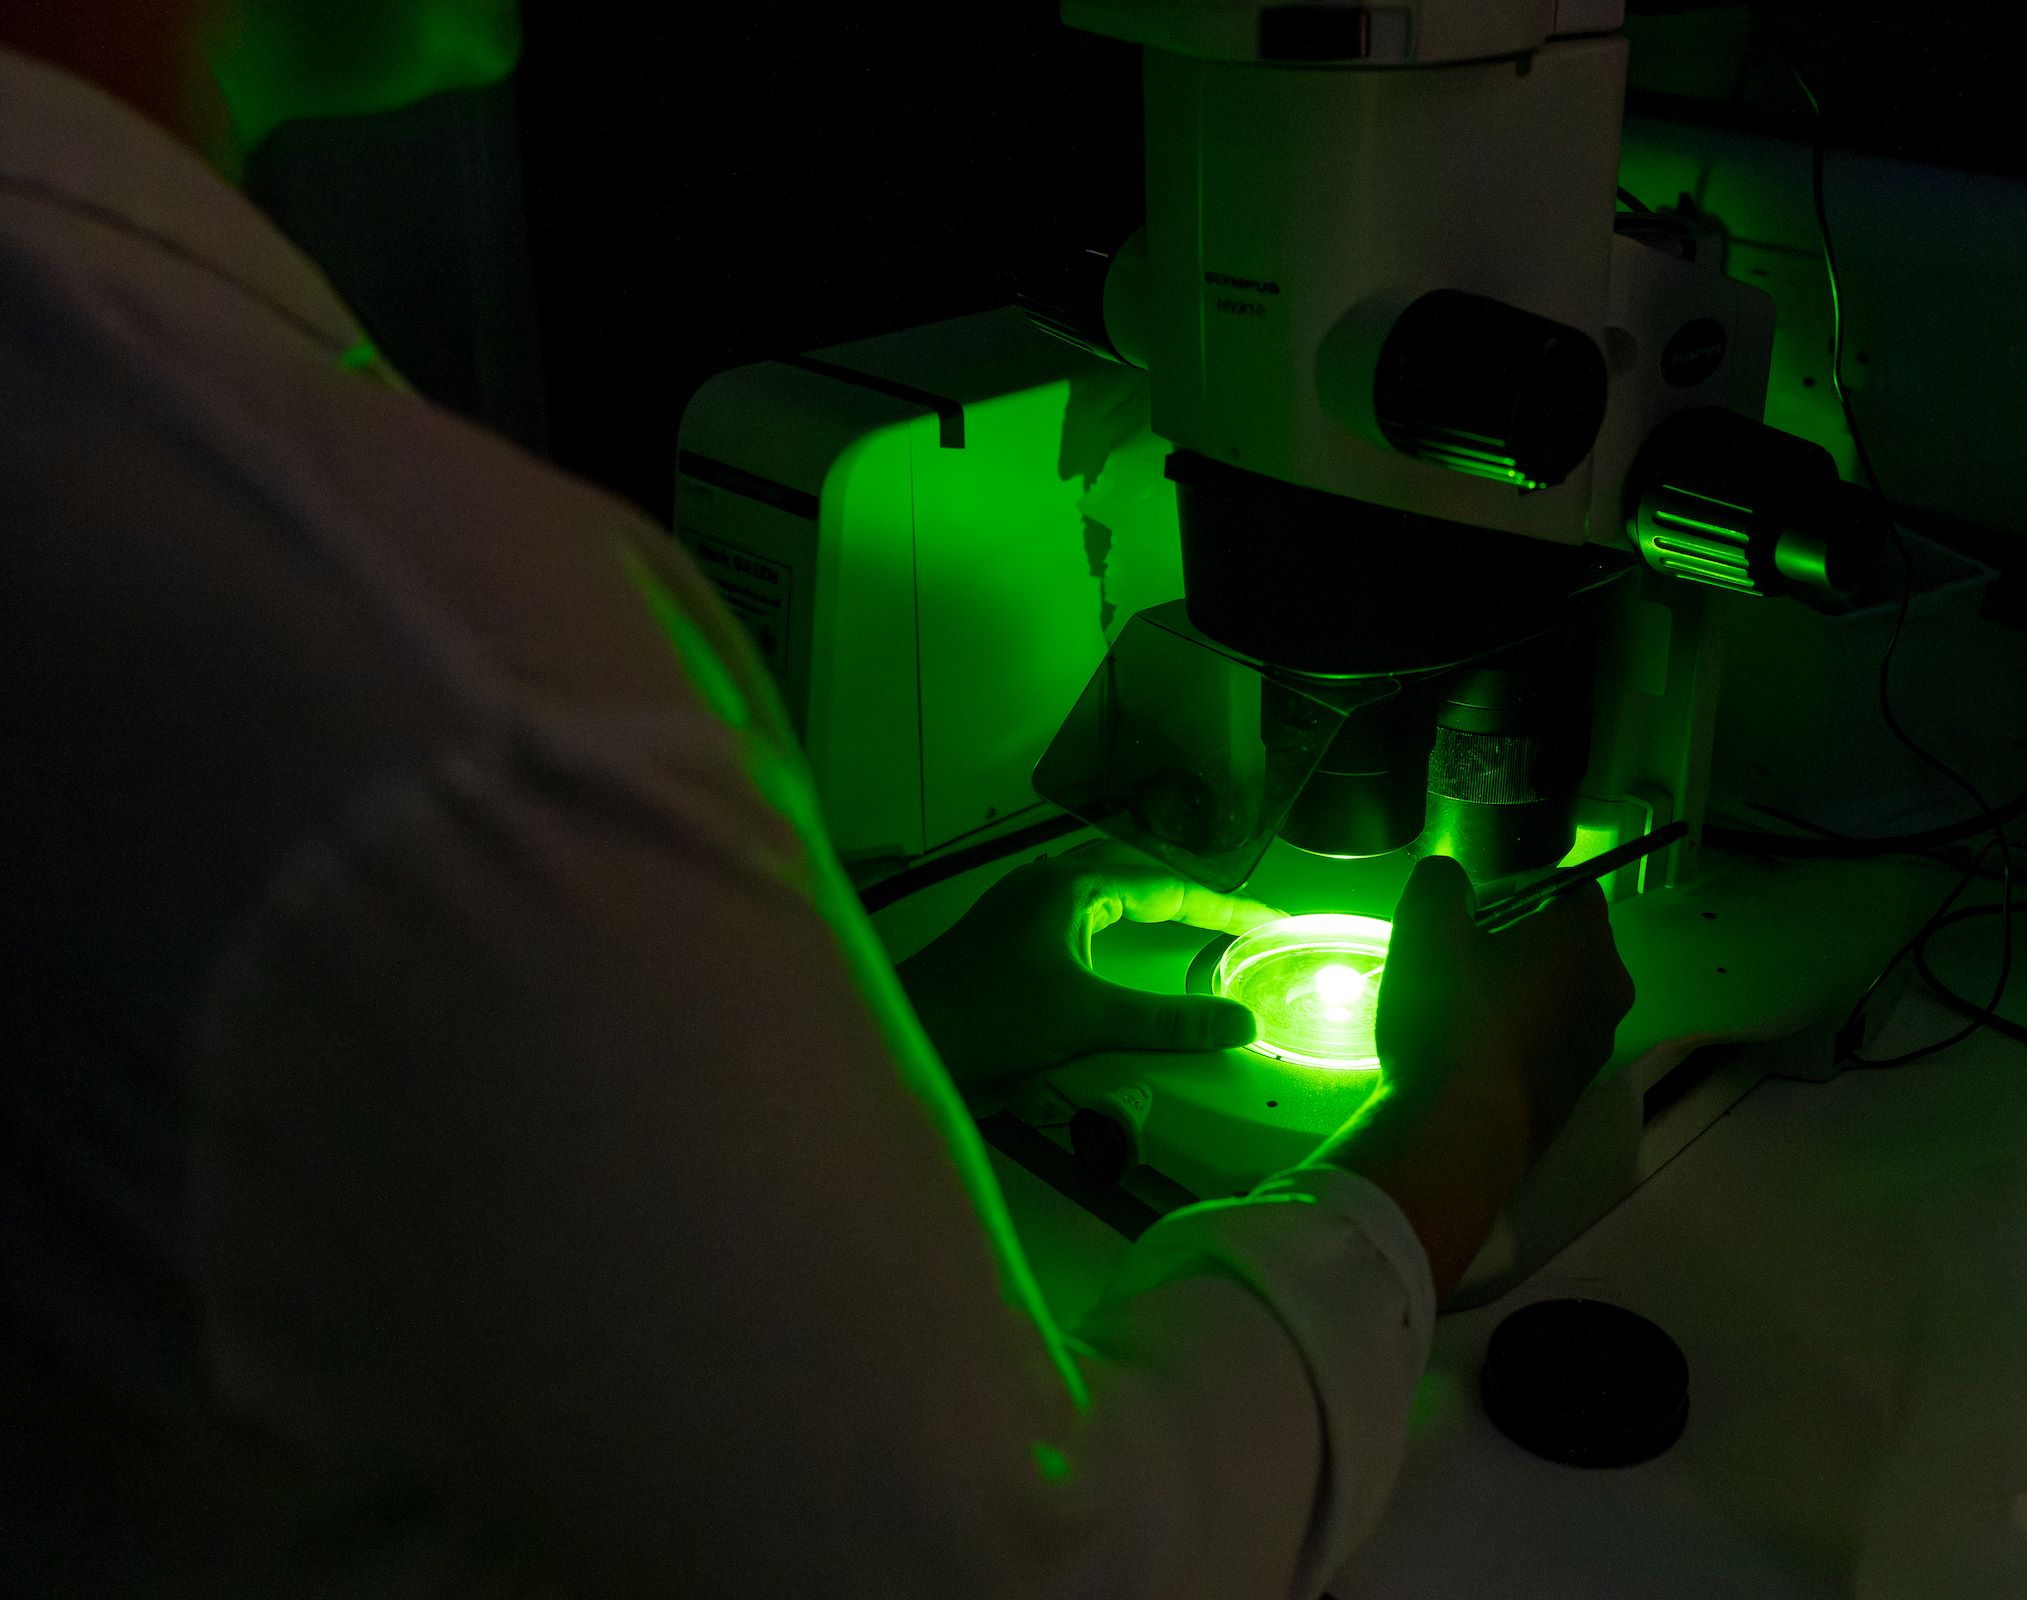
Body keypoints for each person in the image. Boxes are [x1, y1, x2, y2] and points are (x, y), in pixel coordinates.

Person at [0, 4, 1637, 1595]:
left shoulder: (92, 399)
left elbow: (366, 1162)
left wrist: (901, 1025)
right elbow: (1054, 1564)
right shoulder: (450, 650)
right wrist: (1468, 1112)